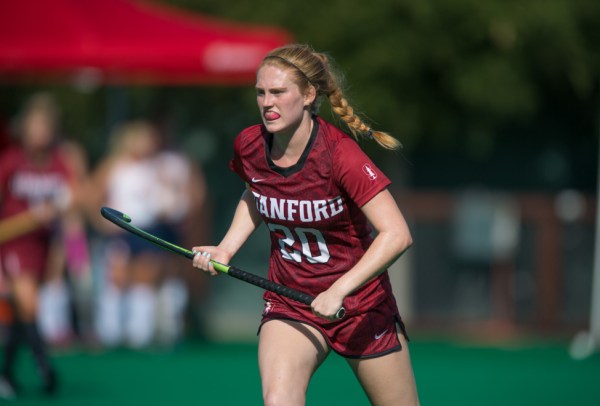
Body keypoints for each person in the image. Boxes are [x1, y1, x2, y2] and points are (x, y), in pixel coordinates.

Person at [192, 44, 419, 405]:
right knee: (279, 400)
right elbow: (256, 192)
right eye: (261, 93)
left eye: (279, 92)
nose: (268, 102)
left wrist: (339, 290)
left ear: (309, 94)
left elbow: (397, 234)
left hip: (358, 305)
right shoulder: (250, 144)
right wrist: (226, 248)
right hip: (291, 302)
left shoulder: (339, 154)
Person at [0, 93, 69, 398]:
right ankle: (45, 369)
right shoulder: (12, 161)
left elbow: (76, 202)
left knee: (21, 312)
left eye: (45, 126)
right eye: (35, 125)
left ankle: (7, 374)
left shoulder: (58, 163)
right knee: (28, 303)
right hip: (13, 242)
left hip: (41, 246)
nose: (40, 132)